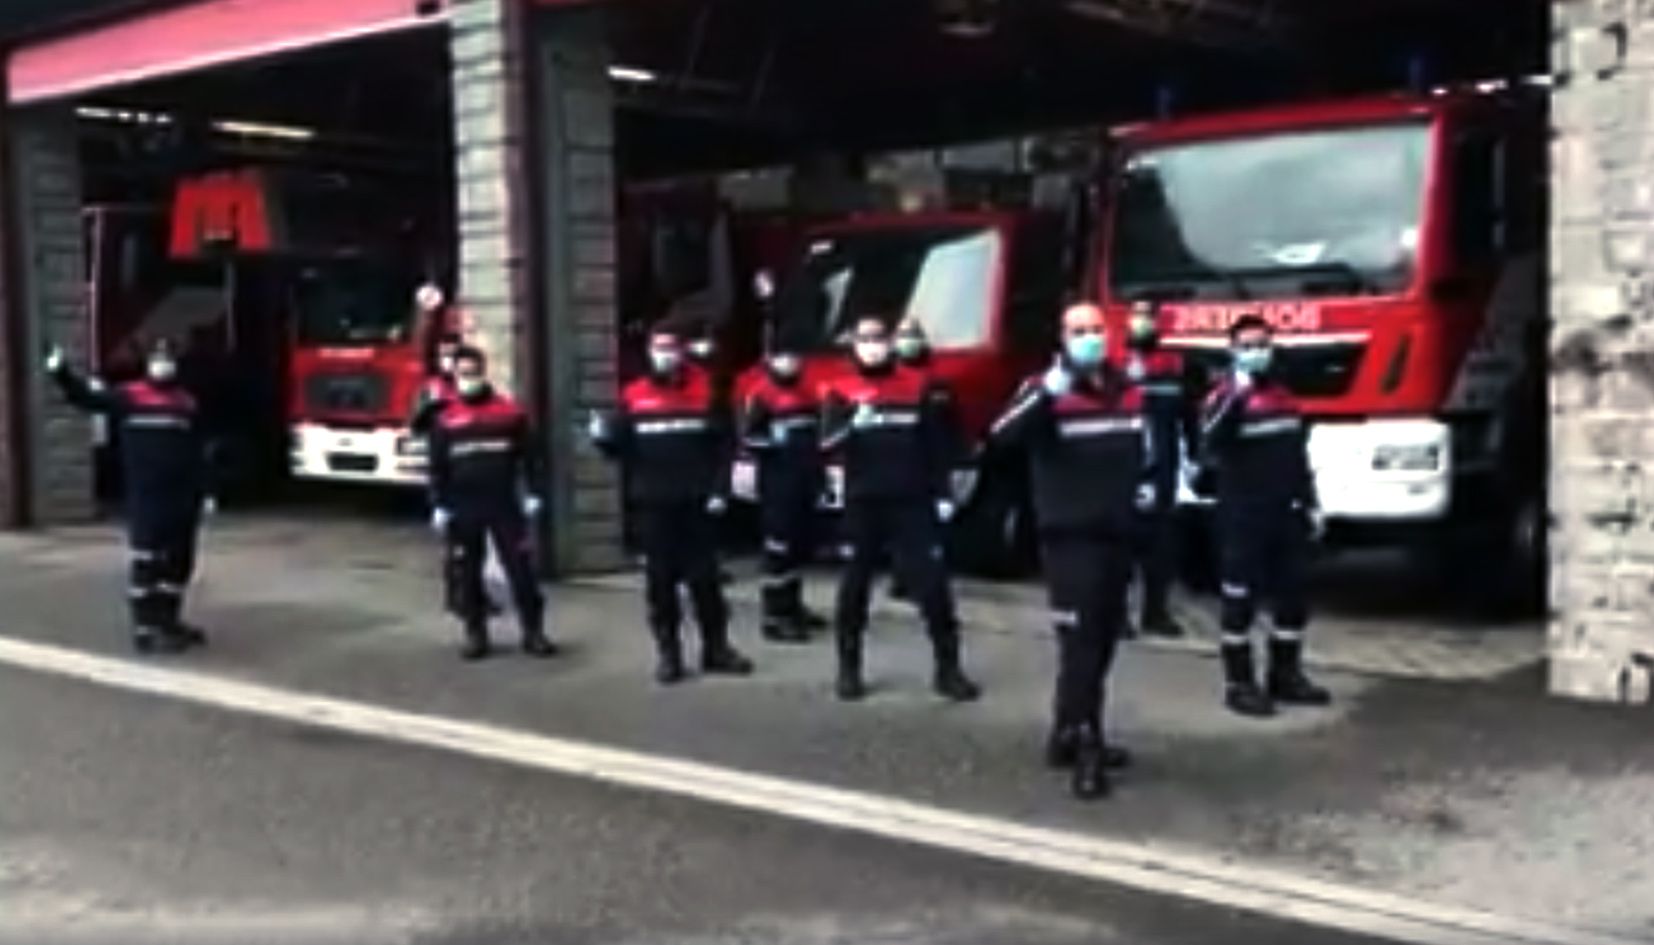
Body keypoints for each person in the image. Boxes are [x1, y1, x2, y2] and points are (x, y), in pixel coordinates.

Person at [989, 303, 1153, 800]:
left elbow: (1141, 452)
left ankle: (1066, 730)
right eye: (1078, 331)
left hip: (1117, 535)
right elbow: (1000, 439)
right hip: (1069, 538)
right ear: (1061, 337)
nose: (1089, 338)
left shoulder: (1127, 389)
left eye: (1097, 329)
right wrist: (1045, 393)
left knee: (1102, 643)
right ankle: (1087, 748)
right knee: (1079, 647)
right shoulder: (1045, 392)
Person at [821, 316, 979, 703]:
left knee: (933, 587)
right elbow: (826, 442)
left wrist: (943, 492)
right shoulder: (840, 390)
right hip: (864, 501)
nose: (873, 345)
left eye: (880, 338)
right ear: (854, 345)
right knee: (854, 587)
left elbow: (935, 444)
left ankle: (948, 669)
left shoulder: (916, 385)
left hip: (912, 501)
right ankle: (848, 669)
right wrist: (851, 424)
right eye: (865, 339)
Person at [591, 329, 754, 684]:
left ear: (682, 351)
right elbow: (621, 449)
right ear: (649, 353)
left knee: (705, 580)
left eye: (671, 348)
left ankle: (716, 648)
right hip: (654, 502)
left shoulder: (706, 390)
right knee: (660, 583)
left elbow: (724, 445)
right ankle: (669, 654)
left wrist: (720, 489)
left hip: (697, 501)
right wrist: (603, 439)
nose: (666, 354)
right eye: (659, 348)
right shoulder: (633, 396)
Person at [45, 338, 215, 655]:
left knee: (178, 563)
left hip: (182, 498)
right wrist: (61, 373)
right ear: (147, 364)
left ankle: (169, 621)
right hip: (147, 496)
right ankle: (146, 629)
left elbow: (198, 451)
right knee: (148, 561)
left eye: (168, 358)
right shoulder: (129, 397)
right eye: (158, 358)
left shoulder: (187, 403)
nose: (163, 364)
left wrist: (206, 492)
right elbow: (85, 398)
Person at [1200, 315, 1331, 717]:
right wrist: (1235, 397)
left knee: (1293, 597)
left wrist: (1311, 503)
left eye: (1262, 344)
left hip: (1287, 513)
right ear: (1233, 351)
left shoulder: (1285, 397)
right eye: (1247, 345)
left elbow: (1297, 457)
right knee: (1240, 601)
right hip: (1242, 516)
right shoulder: (1222, 397)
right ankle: (1239, 683)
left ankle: (1285, 674)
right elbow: (1210, 441)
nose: (1256, 352)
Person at [427, 346, 558, 661]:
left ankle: (533, 632)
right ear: (454, 375)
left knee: (521, 570)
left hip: (503, 503)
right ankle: (476, 634)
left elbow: (532, 458)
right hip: (463, 506)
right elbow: (437, 466)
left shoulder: (509, 413)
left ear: (483, 373)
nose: (467, 379)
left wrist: (534, 493)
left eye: (473, 372)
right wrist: (439, 504)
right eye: (462, 374)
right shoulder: (444, 417)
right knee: (468, 573)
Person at [740, 345, 827, 644]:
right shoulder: (762, 395)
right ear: (771, 361)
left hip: (804, 481)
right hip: (777, 484)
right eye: (783, 358)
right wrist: (773, 443)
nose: (789, 363)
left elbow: (817, 441)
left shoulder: (808, 393)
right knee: (778, 549)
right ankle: (774, 616)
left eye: (794, 357)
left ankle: (793, 605)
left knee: (799, 547)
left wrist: (821, 479)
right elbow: (749, 438)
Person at [1124, 300, 1196, 638]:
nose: (1142, 324)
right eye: (1136, 317)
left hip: (1164, 465)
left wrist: (1196, 458)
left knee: (1162, 543)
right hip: (1122, 466)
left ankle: (1156, 613)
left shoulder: (1174, 365)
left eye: (1147, 318)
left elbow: (1190, 417)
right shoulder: (1114, 364)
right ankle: (1117, 615)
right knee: (1120, 546)